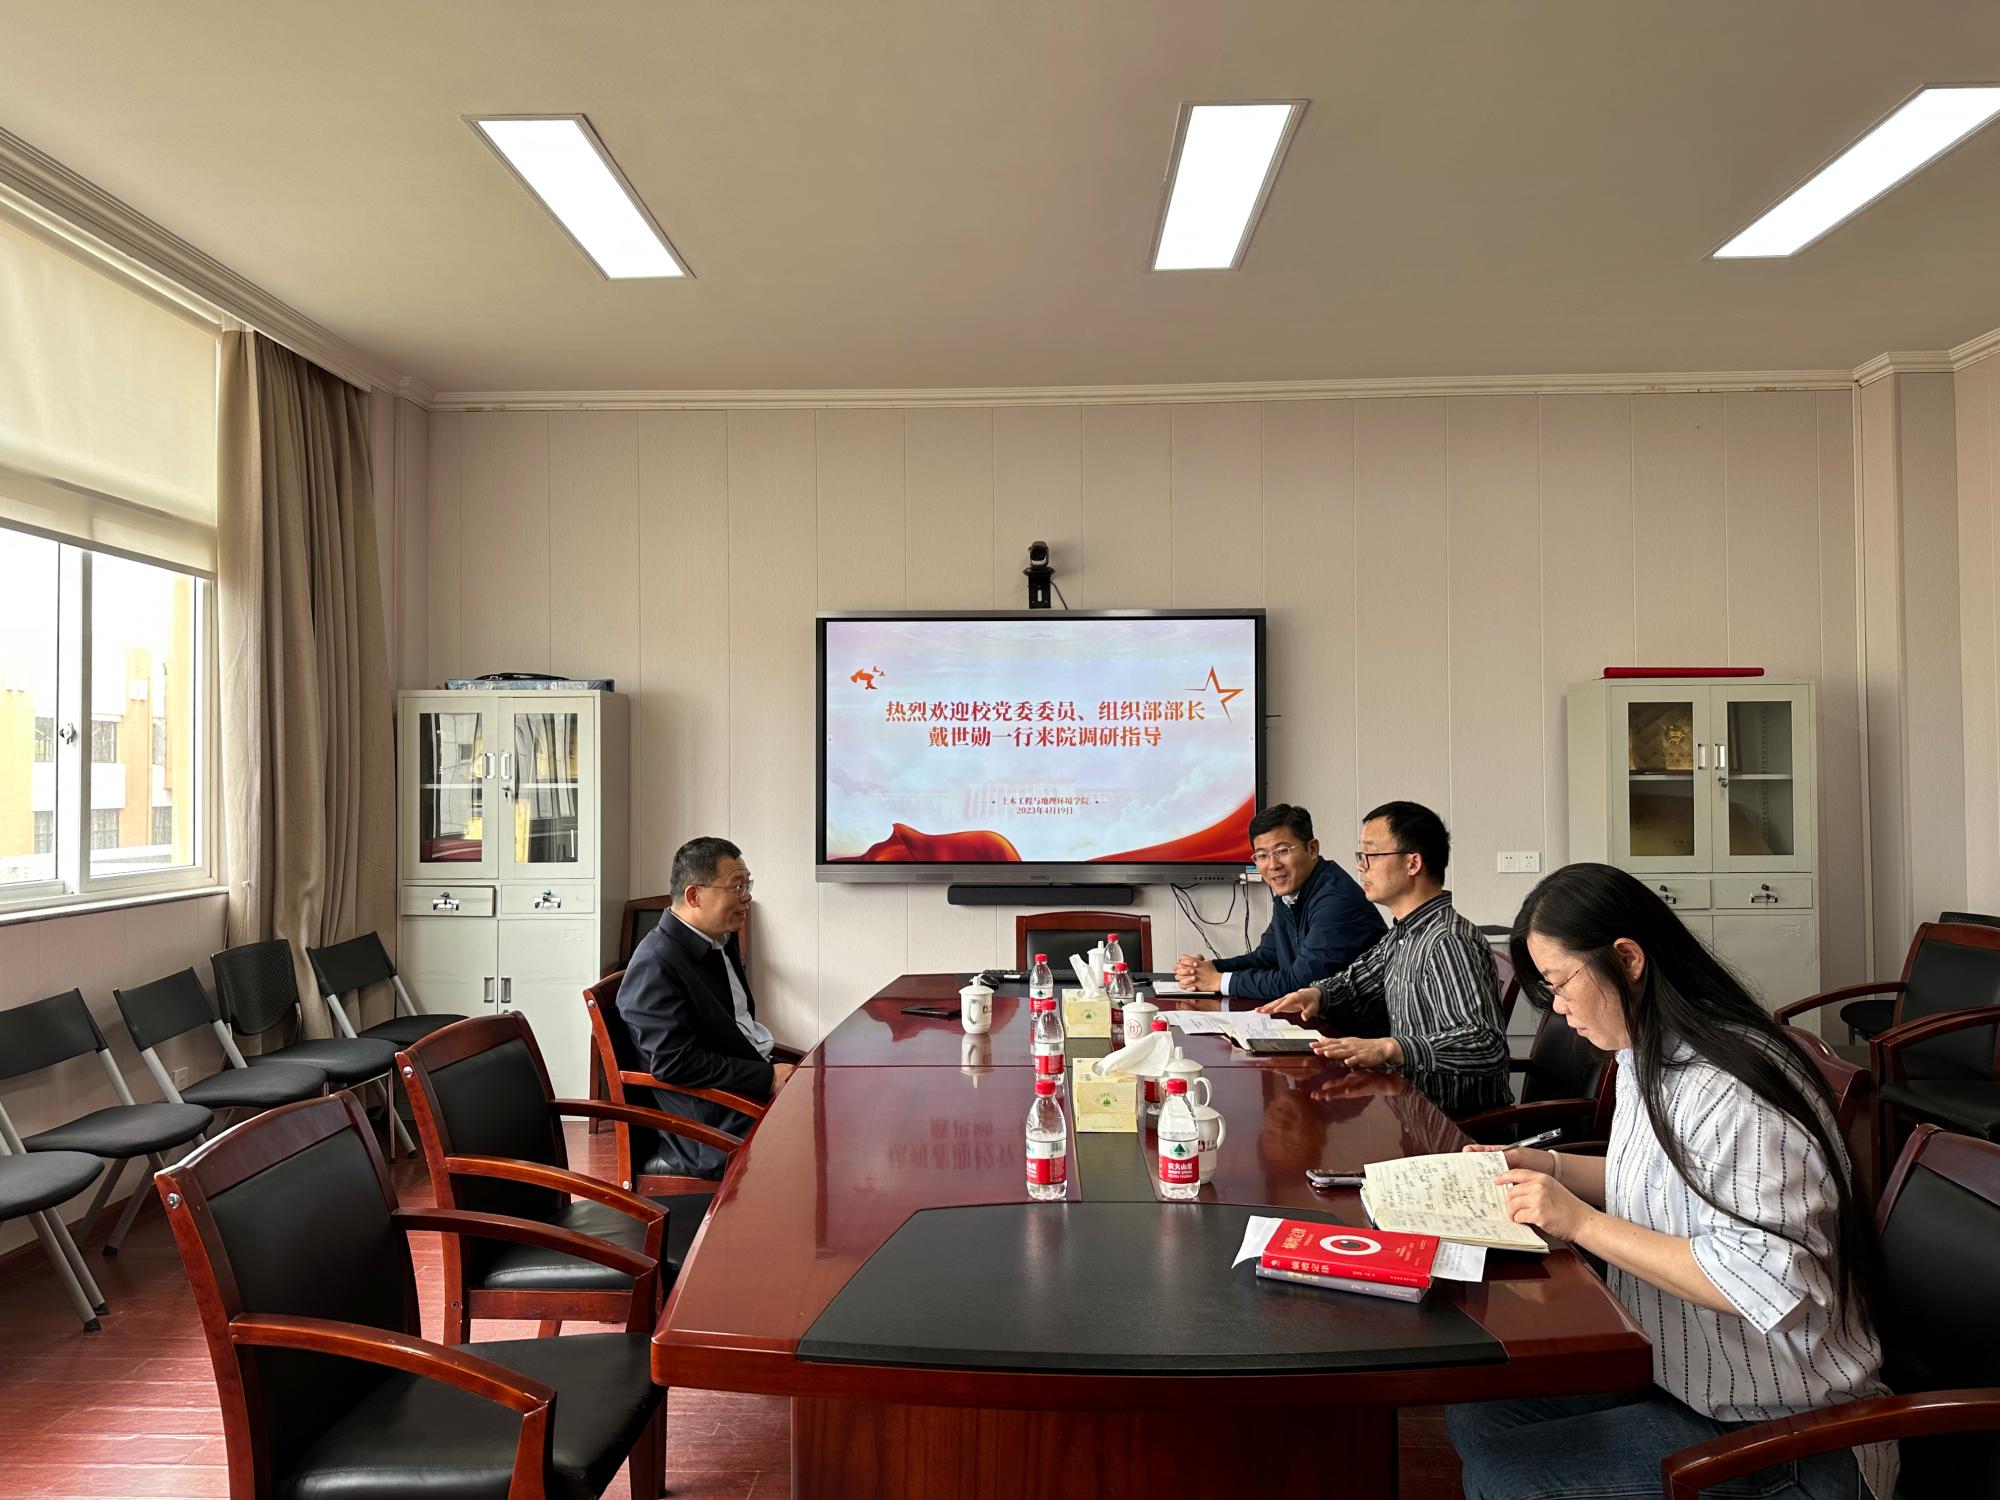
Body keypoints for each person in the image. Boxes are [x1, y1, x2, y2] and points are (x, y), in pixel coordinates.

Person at [1448, 862, 1894, 1500]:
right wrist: (1550, 1167)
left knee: (1506, 1474)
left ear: (1627, 959)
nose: (1560, 1009)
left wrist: (1579, 1221)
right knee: (1479, 1409)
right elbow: (1662, 1182)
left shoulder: (1732, 1091)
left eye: (1561, 984)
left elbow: (1766, 1279)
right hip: (1687, 1374)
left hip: (1790, 1434)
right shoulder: (1648, 1052)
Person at [1257, 801, 1510, 1115]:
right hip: (1409, 1109)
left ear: (1412, 863)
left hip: (1453, 1126)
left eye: (1370, 855)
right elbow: (1356, 982)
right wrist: (1317, 994)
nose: (1361, 867)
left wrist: (1391, 1047)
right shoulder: (1403, 933)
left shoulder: (1447, 940)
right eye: (1360, 856)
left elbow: (1486, 1045)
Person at [616, 836, 793, 1178]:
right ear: (694, 896)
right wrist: (767, 1077)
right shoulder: (657, 962)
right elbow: (674, 1062)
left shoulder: (717, 941)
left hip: (740, 1096)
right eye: (737, 886)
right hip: (711, 1127)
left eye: (747, 885)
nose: (747, 896)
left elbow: (738, 1030)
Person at [1172, 803, 1383, 1004]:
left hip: (1356, 1027)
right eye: (1262, 855)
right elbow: (1267, 958)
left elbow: (1300, 985)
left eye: (1283, 851)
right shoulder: (1291, 893)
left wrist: (1218, 981)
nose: (1273, 865)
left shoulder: (1336, 901)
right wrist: (1206, 969)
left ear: (1312, 849)